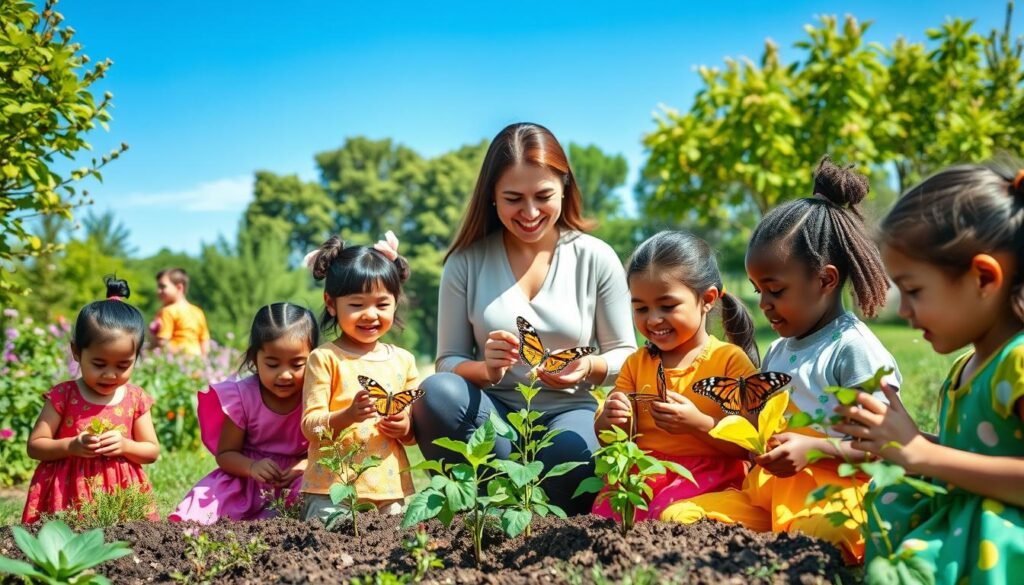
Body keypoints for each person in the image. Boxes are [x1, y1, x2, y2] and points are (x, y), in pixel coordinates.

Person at [661, 156, 902, 565]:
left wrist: (815, 448)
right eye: (758, 291)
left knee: (817, 533)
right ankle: (773, 543)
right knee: (679, 515)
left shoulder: (852, 349)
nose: (766, 306)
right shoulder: (779, 350)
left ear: (825, 280)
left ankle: (783, 548)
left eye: (776, 290)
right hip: (769, 494)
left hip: (834, 496)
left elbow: (891, 445)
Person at [412, 122, 637, 515]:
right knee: (435, 393)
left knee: (573, 457)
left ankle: (517, 503)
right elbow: (446, 362)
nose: (530, 213)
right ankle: (491, 506)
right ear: (492, 199)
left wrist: (588, 366)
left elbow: (626, 354)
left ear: (565, 188)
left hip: (570, 414)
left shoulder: (596, 257)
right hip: (490, 417)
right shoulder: (465, 264)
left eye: (543, 196)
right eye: (513, 198)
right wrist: (486, 369)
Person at [836, 162, 1024, 583]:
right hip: (965, 520)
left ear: (982, 277)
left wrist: (924, 454)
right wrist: (911, 443)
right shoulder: (967, 366)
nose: (902, 312)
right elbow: (977, 453)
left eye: (915, 291)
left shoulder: (1019, 362)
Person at [594, 230, 759, 522]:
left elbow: (749, 446)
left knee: (671, 518)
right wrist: (611, 419)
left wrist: (698, 423)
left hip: (708, 477)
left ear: (707, 299)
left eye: (667, 306)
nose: (653, 319)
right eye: (640, 308)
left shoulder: (729, 361)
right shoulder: (637, 363)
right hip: (644, 473)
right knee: (607, 517)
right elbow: (613, 439)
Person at [300, 231, 420, 521]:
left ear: (395, 302)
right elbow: (310, 427)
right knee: (328, 540)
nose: (370, 315)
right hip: (331, 490)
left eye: (382, 304)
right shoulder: (325, 358)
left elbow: (415, 433)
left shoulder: (403, 361)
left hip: (389, 493)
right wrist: (348, 415)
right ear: (331, 303)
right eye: (356, 305)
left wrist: (404, 425)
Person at [22, 277, 160, 523]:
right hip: (67, 494)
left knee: (124, 547)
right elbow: (35, 445)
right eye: (98, 364)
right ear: (76, 352)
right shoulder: (63, 395)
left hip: (120, 494)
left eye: (123, 365)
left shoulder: (135, 398)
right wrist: (70, 446)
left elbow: (151, 451)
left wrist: (125, 445)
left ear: (136, 357)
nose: (110, 374)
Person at [170, 303, 318, 523]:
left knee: (318, 496)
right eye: (272, 364)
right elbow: (226, 455)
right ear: (254, 359)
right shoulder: (242, 397)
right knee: (203, 507)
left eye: (297, 364)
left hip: (294, 481)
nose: (285, 375)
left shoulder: (315, 395)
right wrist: (252, 467)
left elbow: (326, 449)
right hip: (246, 481)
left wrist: (303, 466)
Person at [152, 267, 210, 356]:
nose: (158, 291)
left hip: (176, 364)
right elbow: (205, 343)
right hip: (196, 363)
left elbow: (162, 342)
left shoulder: (167, 311)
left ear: (179, 287)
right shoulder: (198, 312)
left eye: (163, 287)